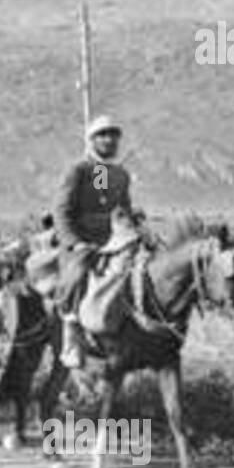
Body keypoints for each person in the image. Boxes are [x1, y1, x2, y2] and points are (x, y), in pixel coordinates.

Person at [52, 115, 134, 369]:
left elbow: (124, 209)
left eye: (113, 135)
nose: (109, 140)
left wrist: (134, 227)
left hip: (114, 241)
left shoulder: (120, 174)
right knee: (76, 275)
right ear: (92, 140)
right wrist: (74, 242)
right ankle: (71, 337)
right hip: (81, 241)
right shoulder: (79, 170)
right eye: (103, 135)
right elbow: (61, 210)